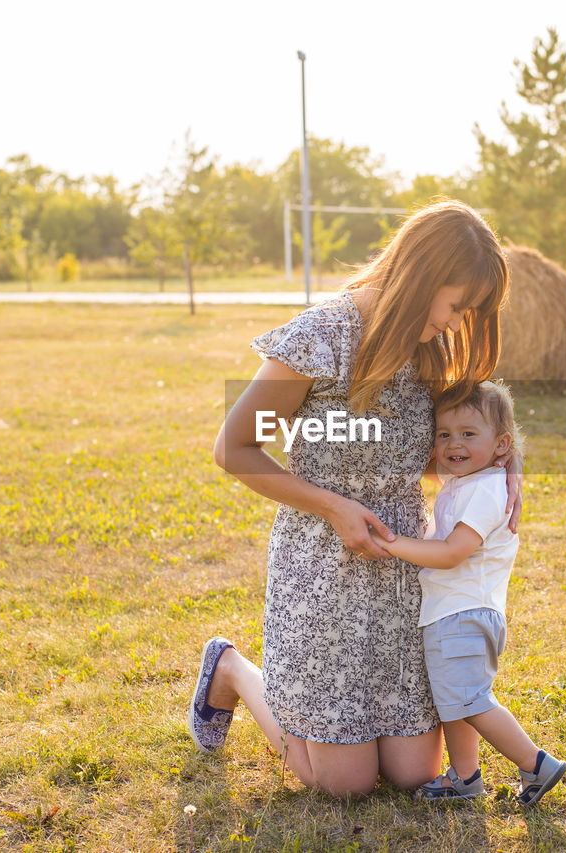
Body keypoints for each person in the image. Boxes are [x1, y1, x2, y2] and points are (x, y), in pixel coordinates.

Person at [190, 200, 521, 798]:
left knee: (413, 773)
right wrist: (335, 507)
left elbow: (448, 441)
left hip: (401, 570)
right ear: (421, 278)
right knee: (341, 785)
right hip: (324, 567)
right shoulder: (319, 339)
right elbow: (233, 448)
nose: (454, 323)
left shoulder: (427, 349)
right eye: (454, 305)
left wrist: (504, 464)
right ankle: (232, 670)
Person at [366, 381, 566, 805]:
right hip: (451, 614)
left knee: (471, 702)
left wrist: (392, 544)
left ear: (502, 446)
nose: (453, 444)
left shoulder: (485, 489)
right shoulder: (467, 482)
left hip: (465, 615)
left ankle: (536, 764)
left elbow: (454, 552)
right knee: (453, 703)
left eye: (468, 434)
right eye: (444, 434)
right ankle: (465, 777)